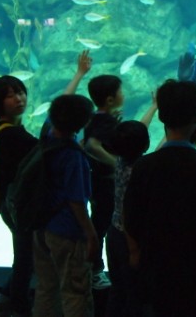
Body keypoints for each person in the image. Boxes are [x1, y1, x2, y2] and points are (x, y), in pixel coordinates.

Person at [0, 51, 92, 317]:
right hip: (19, 207)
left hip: (14, 203)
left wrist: (79, 75)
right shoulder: (13, 136)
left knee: (29, 262)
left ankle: (5, 303)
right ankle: (10, 306)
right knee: (24, 261)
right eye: (11, 95)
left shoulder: (6, 129)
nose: (19, 98)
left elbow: (55, 121)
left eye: (21, 92)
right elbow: (51, 136)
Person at [123, 79, 196, 317]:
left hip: (158, 268)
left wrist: (135, 252)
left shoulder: (144, 167)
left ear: (161, 117)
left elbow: (131, 215)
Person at [32, 94, 97, 317]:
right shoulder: (73, 156)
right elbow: (76, 201)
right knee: (75, 291)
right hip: (67, 232)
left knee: (46, 288)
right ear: (82, 123)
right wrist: (91, 234)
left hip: (41, 227)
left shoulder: (46, 138)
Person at [105, 97, 157, 317]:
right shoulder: (138, 171)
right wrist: (134, 250)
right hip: (130, 238)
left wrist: (153, 106)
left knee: (118, 289)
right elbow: (129, 213)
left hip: (113, 233)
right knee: (134, 292)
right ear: (145, 145)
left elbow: (139, 130)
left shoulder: (120, 159)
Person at [83, 74, 125, 289]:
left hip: (95, 180)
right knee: (101, 226)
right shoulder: (105, 121)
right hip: (104, 182)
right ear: (110, 99)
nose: (123, 94)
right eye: (120, 91)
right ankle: (95, 270)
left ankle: (94, 268)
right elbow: (92, 145)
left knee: (100, 223)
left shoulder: (96, 118)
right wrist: (116, 164)